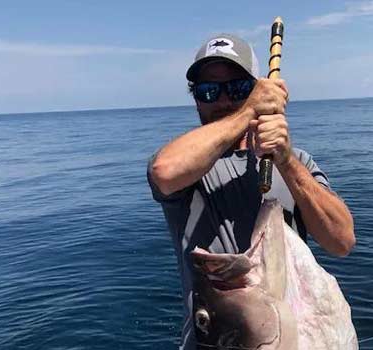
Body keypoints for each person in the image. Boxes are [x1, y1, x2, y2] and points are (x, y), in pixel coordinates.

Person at [147, 33, 355, 349]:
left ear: (256, 87)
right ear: (195, 98)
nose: (223, 100)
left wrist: (285, 159)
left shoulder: (295, 162)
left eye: (238, 88)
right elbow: (164, 171)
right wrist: (248, 111)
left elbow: (341, 241)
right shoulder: (190, 168)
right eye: (208, 91)